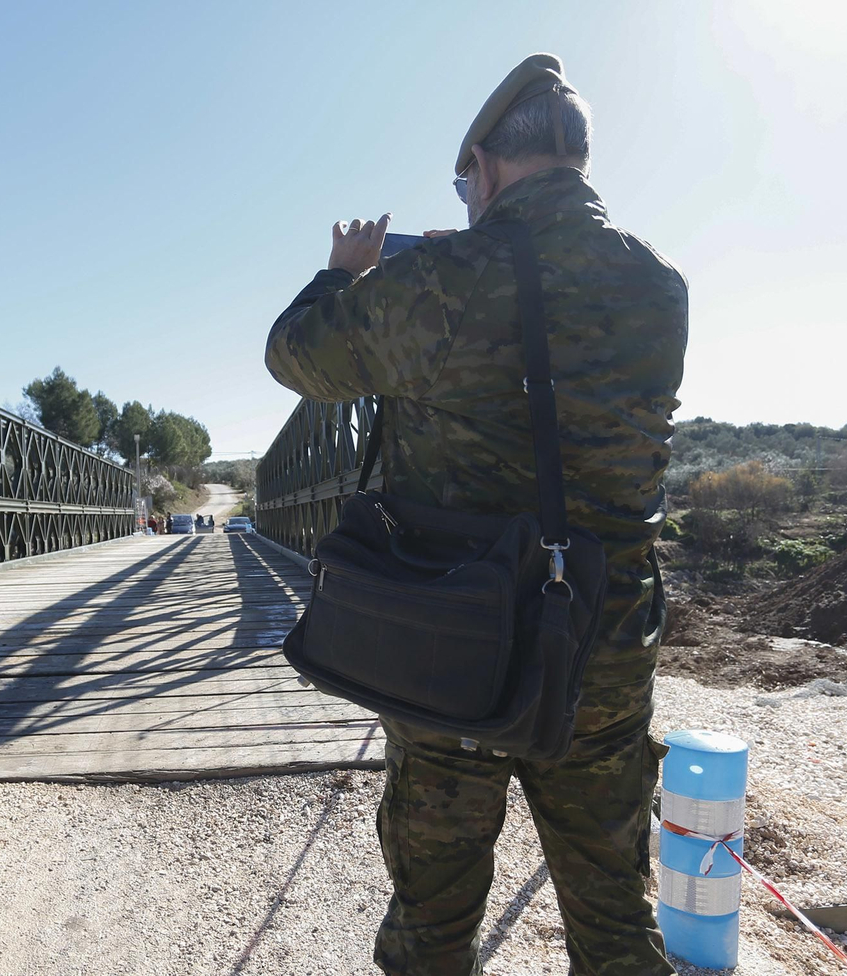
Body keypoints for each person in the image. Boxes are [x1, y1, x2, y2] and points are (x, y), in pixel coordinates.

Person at [264, 54, 688, 976]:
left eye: (467, 185)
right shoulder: (658, 282)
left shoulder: (444, 278)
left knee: (433, 915)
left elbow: (295, 356)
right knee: (615, 911)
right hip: (602, 635)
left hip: (456, 633)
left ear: (485, 169)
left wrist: (344, 276)